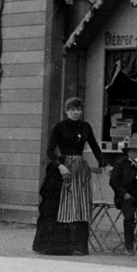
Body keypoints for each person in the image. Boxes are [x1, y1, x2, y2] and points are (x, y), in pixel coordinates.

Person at [46, 97, 107, 255]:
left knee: (80, 205)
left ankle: (79, 245)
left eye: (78, 109)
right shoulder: (60, 127)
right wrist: (60, 166)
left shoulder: (86, 126)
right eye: (72, 109)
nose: (75, 112)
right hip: (64, 168)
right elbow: (50, 150)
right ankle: (63, 246)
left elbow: (94, 146)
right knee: (66, 205)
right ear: (66, 111)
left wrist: (104, 164)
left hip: (80, 169)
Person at [32, 159, 80, 255]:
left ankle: (52, 246)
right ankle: (53, 246)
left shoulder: (58, 164)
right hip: (54, 197)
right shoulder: (56, 166)